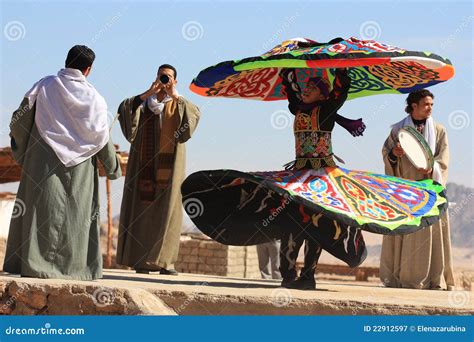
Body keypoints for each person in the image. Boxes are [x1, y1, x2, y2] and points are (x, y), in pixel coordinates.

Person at [3, 45, 121, 280]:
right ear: (88, 69)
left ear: (66, 61)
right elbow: (101, 137)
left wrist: (23, 150)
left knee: (39, 212)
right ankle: (74, 270)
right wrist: (112, 167)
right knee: (76, 217)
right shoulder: (95, 99)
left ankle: (31, 265)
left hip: (42, 163)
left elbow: (19, 121)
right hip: (81, 170)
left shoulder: (44, 86)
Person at [278, 67, 366, 290]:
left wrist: (340, 71)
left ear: (322, 95)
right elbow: (292, 91)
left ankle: (308, 276)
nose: (306, 90)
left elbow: (340, 93)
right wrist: (288, 74)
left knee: (316, 225)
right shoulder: (298, 109)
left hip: (322, 177)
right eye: (305, 87)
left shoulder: (326, 110)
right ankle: (288, 275)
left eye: (312, 88)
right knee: (292, 222)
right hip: (298, 174)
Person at [116, 64, 201, 275]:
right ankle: (140, 261)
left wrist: (175, 96)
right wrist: (148, 93)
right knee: (140, 209)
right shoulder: (145, 104)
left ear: (175, 81)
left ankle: (164, 262)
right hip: (142, 164)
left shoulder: (179, 104)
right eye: (162, 77)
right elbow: (125, 110)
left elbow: (192, 120)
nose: (165, 81)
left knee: (169, 211)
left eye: (169, 77)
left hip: (170, 166)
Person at [380, 89, 455, 290]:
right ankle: (398, 277)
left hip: (429, 189)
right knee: (404, 230)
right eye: (426, 104)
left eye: (432, 104)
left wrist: (432, 168)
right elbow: (387, 154)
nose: (430, 108)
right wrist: (394, 154)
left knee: (430, 232)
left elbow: (444, 159)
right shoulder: (397, 130)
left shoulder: (439, 130)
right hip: (405, 192)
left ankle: (433, 280)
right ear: (414, 106)